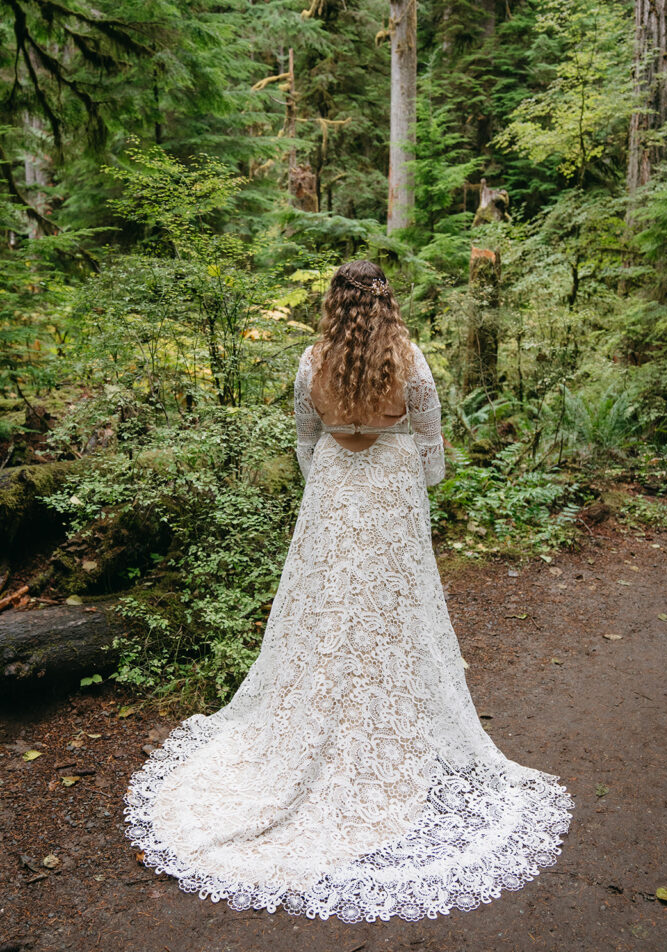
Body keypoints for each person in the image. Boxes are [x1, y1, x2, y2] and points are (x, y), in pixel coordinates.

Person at [123, 259, 573, 924]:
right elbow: (431, 442)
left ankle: (323, 705)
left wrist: (332, 481)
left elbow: (306, 442)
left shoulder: (311, 362)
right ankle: (390, 707)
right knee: (394, 610)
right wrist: (417, 488)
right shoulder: (409, 357)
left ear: (334, 303)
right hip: (390, 487)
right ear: (386, 302)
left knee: (326, 608)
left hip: (335, 487)